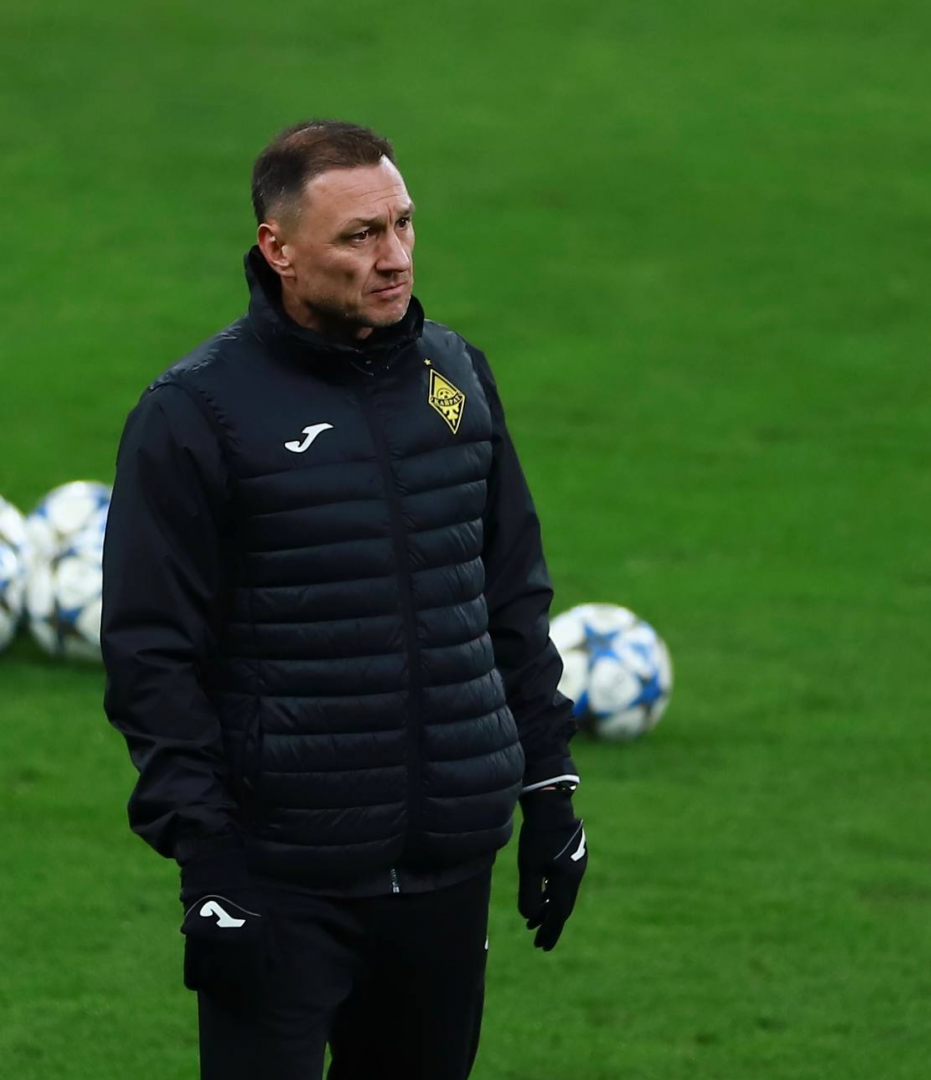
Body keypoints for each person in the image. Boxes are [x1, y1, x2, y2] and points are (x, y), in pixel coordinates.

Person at [101, 119, 587, 1080]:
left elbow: (509, 600)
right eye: (360, 235)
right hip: (280, 884)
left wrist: (548, 789)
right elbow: (153, 658)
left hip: (446, 871)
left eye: (403, 224)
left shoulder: (455, 378)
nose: (394, 256)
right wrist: (209, 865)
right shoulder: (196, 414)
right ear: (278, 249)